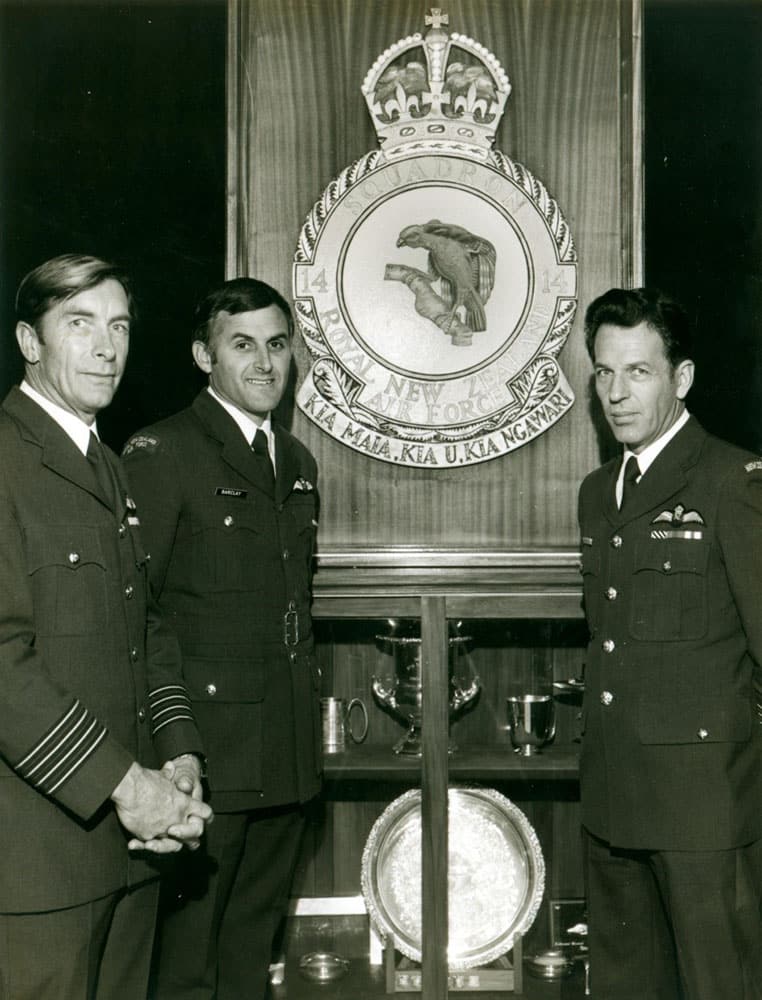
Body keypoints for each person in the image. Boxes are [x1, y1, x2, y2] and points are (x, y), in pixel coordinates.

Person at [0, 253, 213, 1000]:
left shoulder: (110, 464)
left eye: (118, 326)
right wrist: (126, 785)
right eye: (80, 324)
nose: (107, 347)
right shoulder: (6, 460)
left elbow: (144, 628)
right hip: (42, 866)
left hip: (133, 855)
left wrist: (179, 755)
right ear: (31, 341)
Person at [122, 277, 322, 1000]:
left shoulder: (296, 464)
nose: (265, 364)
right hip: (206, 757)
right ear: (205, 357)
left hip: (287, 756)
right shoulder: (162, 452)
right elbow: (138, 615)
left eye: (277, 345)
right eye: (243, 346)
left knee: (250, 953)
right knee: (188, 966)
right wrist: (175, 747)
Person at [578, 286, 762, 999]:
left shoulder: (731, 482)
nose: (616, 394)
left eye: (638, 372)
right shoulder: (598, 492)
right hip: (613, 799)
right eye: (603, 373)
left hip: (704, 810)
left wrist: (739, 766)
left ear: (680, 379)